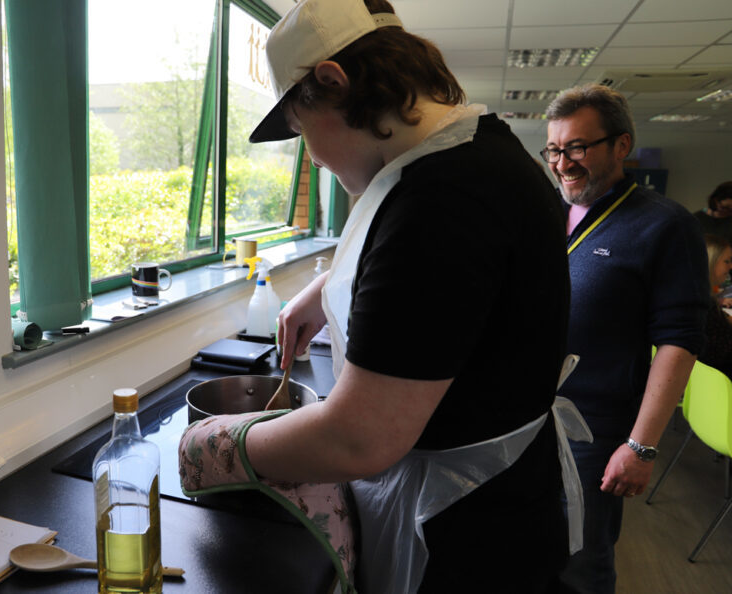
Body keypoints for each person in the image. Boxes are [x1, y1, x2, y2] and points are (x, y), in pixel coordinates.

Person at [179, 1, 583, 592]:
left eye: (302, 131)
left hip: (469, 541)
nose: (311, 156)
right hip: (508, 499)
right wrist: (325, 290)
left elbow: (357, 437)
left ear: (334, 82)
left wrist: (218, 443)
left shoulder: (443, 198)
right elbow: (441, 275)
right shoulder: (481, 153)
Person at [541, 84, 709, 594]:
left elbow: (679, 341)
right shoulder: (549, 214)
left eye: (577, 147)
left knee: (581, 565)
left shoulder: (664, 225)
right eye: (554, 149)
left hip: (595, 431)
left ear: (621, 146)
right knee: (532, 553)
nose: (563, 163)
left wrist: (642, 445)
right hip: (527, 421)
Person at [699, 234, 732, 379]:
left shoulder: (700, 296)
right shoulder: (705, 304)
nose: (731, 266)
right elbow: (718, 354)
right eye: (727, 261)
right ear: (711, 261)